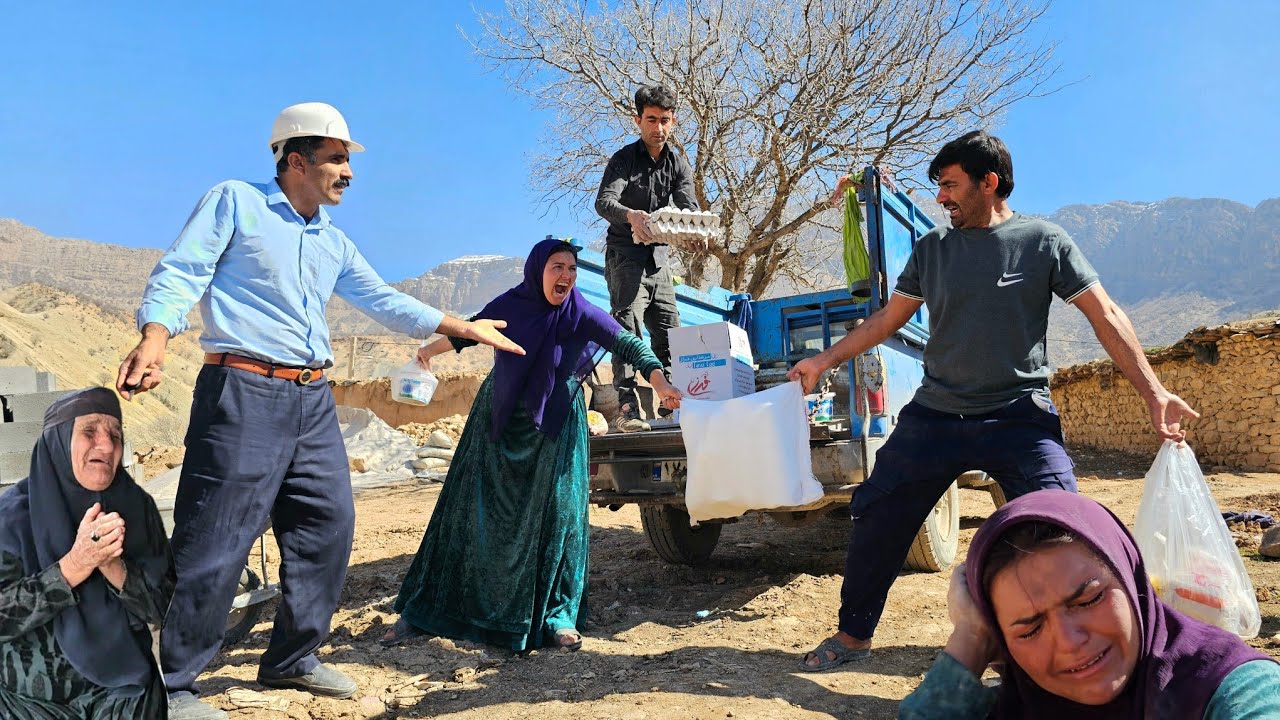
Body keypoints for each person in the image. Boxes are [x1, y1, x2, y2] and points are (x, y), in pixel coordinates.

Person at [115, 102, 524, 720]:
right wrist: (155, 336)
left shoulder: (331, 241)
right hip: (243, 389)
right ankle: (170, 683)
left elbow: (383, 300)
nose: (348, 172)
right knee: (217, 538)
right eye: (337, 158)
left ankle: (291, 658)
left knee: (327, 526)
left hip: (313, 398)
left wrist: (461, 326)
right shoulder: (236, 202)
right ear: (296, 160)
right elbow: (182, 272)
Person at [789, 130, 1200, 670]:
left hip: (1018, 415)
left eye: (951, 185)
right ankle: (852, 635)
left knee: (1066, 526)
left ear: (990, 182)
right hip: (937, 414)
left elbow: (1106, 315)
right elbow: (889, 318)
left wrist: (1154, 392)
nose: (941, 198)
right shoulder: (933, 249)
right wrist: (823, 360)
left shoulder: (1043, 241)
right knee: (877, 511)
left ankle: (1070, 644)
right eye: (939, 187)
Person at [381, 238, 682, 651]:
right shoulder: (510, 305)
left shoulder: (581, 313)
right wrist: (427, 351)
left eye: (572, 269)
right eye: (557, 266)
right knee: (472, 514)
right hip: (499, 422)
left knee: (559, 517)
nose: (566, 276)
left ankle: (557, 616)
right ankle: (433, 611)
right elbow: (469, 332)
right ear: (537, 269)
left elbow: (627, 343)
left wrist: (660, 380)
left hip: (555, 428)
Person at [899, 490, 1279, 718]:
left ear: (1131, 579)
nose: (1068, 640)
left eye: (1088, 598)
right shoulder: (1019, 705)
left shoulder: (1224, 689)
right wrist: (971, 636)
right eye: (1029, 628)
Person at [0, 387, 175, 719]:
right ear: (59, 440)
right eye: (89, 431)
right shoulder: (10, 518)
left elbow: (165, 606)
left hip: (127, 696)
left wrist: (114, 566)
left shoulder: (137, 509)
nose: (106, 445)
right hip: (27, 704)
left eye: (115, 433)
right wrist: (72, 567)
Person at [595, 84, 705, 432]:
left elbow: (689, 207)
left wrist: (695, 233)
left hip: (659, 261)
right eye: (651, 119)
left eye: (665, 120)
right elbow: (604, 202)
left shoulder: (677, 163)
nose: (658, 128)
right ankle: (628, 409)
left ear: (673, 122)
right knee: (627, 331)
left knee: (670, 333)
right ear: (638, 120)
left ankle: (672, 405)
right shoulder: (623, 159)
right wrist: (632, 216)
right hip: (625, 259)